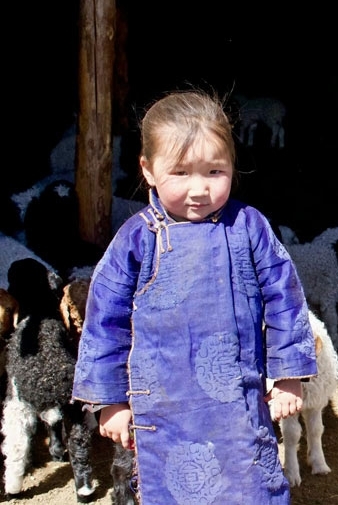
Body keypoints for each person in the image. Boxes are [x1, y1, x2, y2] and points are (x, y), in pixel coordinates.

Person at [72, 89, 317, 504]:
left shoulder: (248, 227)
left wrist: (289, 374)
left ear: (232, 167)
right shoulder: (135, 240)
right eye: (181, 173)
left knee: (252, 487)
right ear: (148, 170)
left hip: (237, 409)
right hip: (164, 412)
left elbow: (285, 299)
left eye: (214, 172)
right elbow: (103, 324)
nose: (199, 189)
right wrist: (109, 401)